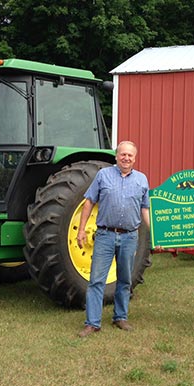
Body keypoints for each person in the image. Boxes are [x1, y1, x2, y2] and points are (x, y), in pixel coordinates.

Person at [76, 141, 150, 338]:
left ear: (135, 158)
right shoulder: (103, 175)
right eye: (123, 154)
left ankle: (120, 317)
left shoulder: (142, 180)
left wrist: (155, 233)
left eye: (130, 156)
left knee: (125, 278)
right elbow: (89, 202)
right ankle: (92, 323)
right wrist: (81, 230)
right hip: (105, 235)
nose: (126, 158)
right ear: (117, 156)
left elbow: (145, 209)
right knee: (96, 280)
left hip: (129, 237)